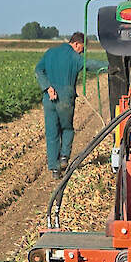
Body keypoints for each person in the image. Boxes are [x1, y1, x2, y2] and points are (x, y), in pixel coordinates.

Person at [35, 32, 108, 179]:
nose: (83, 51)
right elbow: (92, 65)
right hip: (65, 98)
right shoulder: (74, 57)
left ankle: (54, 169)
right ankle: (64, 157)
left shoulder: (50, 52)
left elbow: (38, 70)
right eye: (82, 48)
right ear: (76, 44)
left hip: (48, 98)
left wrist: (47, 87)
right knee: (67, 128)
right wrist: (111, 66)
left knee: (51, 132)